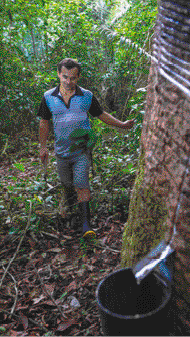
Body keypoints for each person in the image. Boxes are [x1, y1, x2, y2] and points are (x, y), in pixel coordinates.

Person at [37, 58, 134, 239]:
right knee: (67, 184)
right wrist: (43, 147)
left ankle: (86, 225)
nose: (68, 81)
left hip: (81, 149)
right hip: (61, 152)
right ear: (59, 74)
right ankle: (70, 211)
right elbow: (44, 122)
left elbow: (101, 114)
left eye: (73, 78)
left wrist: (122, 124)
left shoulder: (86, 96)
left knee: (81, 184)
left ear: (78, 77)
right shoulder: (48, 97)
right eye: (65, 77)